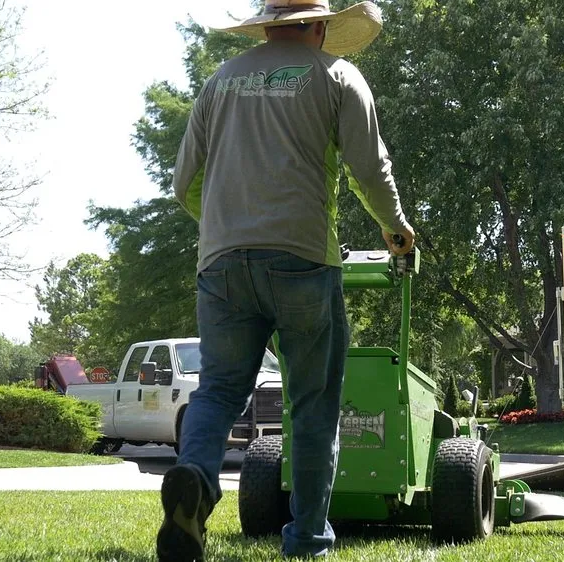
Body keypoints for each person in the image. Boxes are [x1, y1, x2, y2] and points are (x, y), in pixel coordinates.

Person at [159, 1, 415, 560]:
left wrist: (226, 225)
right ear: (321, 24)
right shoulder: (337, 75)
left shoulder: (219, 81)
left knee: (220, 389)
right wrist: (396, 229)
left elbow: (183, 181)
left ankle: (196, 483)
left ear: (266, 23)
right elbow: (369, 167)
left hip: (221, 261)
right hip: (303, 260)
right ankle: (306, 541)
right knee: (314, 405)